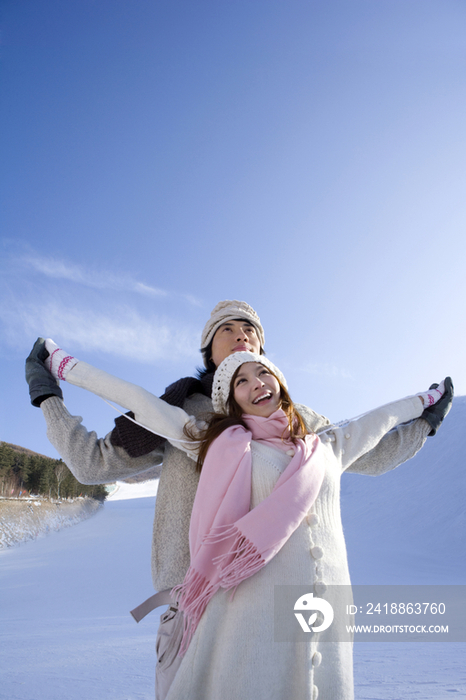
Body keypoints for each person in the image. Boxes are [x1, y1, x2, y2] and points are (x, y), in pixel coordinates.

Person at [24, 301, 452, 697]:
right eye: (226, 329)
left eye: (249, 328)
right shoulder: (183, 413)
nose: (240, 334)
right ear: (209, 350)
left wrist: (423, 422)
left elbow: (372, 451)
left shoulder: (299, 421)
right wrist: (48, 396)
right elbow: (92, 463)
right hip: (199, 603)